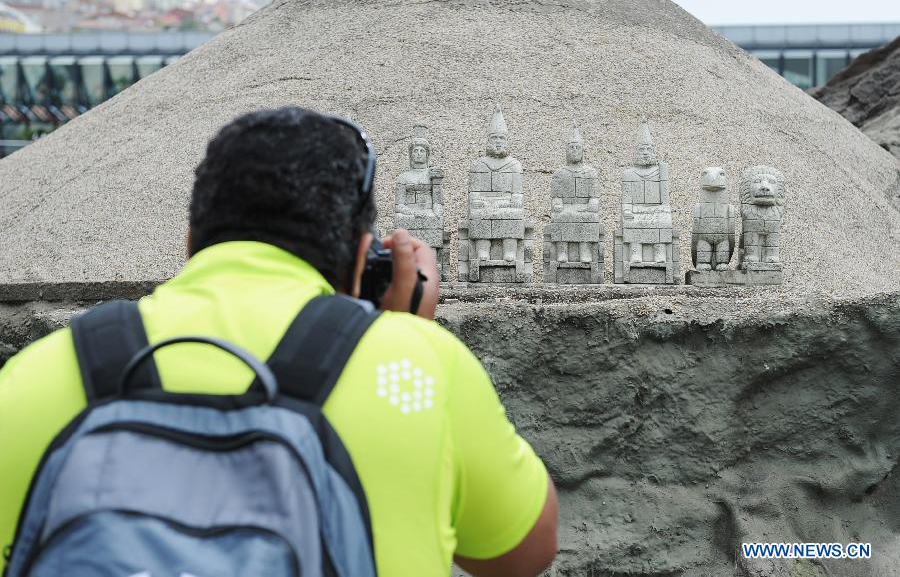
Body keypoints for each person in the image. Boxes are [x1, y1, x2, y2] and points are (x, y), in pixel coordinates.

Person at [0, 107, 557, 576]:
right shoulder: (416, 373)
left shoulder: (35, 376)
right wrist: (407, 334)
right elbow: (524, 553)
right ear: (365, 256)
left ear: (193, 239)